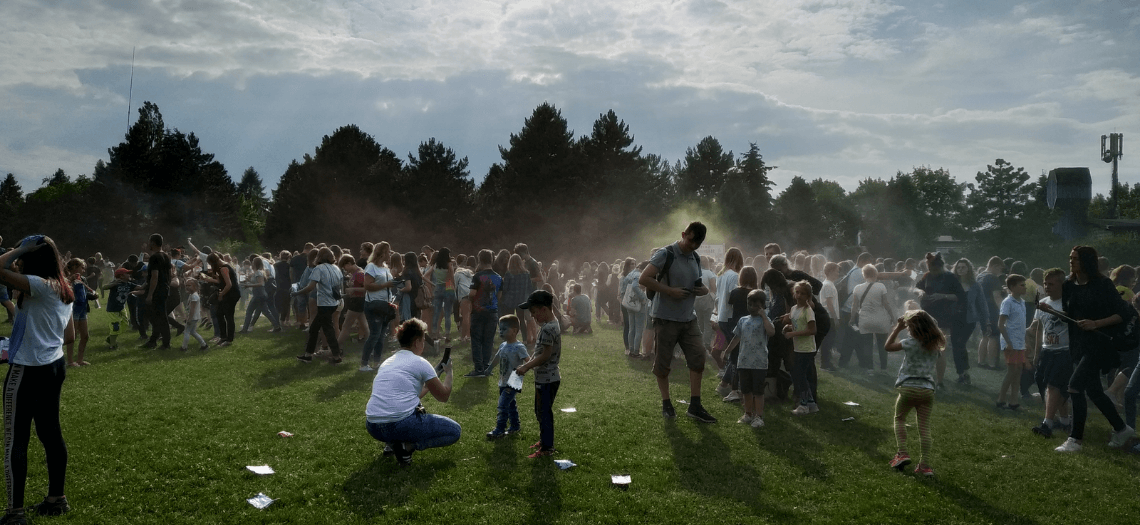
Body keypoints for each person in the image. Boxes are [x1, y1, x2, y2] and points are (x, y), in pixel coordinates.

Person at [0, 235, 75, 522]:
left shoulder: (39, 286)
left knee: (15, 440)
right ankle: (57, 499)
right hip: (54, 365)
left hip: (27, 369)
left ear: (32, 258)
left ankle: (15, 512)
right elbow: (68, 336)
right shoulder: (64, 287)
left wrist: (18, 249)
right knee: (50, 434)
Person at [1042, 246, 1136, 453]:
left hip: (1100, 345)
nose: (1071, 261)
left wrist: (1096, 323)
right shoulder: (1069, 285)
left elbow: (1123, 313)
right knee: (1094, 391)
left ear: (1086, 261)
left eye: (1075, 258)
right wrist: (1053, 311)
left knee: (1074, 386)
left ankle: (1075, 439)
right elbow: (1073, 314)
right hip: (1079, 344)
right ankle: (1122, 429)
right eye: (1070, 258)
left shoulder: (1103, 284)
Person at [638, 221, 717, 423]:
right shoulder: (666, 254)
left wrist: (704, 290)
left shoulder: (696, 258)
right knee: (663, 364)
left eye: (697, 243)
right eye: (691, 241)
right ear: (683, 234)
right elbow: (644, 278)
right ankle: (666, 403)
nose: (693, 246)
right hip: (665, 318)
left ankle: (695, 405)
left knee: (699, 357)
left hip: (688, 318)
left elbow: (698, 283)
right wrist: (669, 291)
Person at [365, 318, 459, 466]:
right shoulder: (420, 362)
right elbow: (443, 396)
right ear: (416, 342)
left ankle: (391, 443)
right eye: (423, 340)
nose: (424, 344)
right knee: (454, 431)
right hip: (399, 424)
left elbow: (411, 395)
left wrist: (430, 382)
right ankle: (407, 447)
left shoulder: (387, 362)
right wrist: (449, 373)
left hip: (373, 425)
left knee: (407, 407)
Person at [884, 310, 946, 477]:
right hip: (927, 391)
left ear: (913, 329)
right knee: (924, 427)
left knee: (900, 419)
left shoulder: (910, 343)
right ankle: (925, 465)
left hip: (908, 388)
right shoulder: (935, 346)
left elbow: (888, 347)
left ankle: (902, 453)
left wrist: (897, 328)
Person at [514, 290, 562, 458]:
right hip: (545, 377)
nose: (533, 317)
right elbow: (539, 351)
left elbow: (546, 355)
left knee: (544, 413)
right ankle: (544, 441)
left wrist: (526, 367)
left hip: (548, 378)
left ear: (544, 309)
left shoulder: (548, 329)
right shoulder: (549, 325)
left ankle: (547, 448)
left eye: (534, 312)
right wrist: (528, 363)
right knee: (540, 411)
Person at [720, 289, 774, 428]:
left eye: (756, 305)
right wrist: (726, 351)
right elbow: (736, 337)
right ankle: (748, 413)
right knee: (746, 390)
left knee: (758, 391)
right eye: (750, 304)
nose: (752, 308)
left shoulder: (765, 320)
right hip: (743, 361)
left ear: (763, 305)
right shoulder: (743, 320)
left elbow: (771, 332)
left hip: (759, 363)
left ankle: (759, 416)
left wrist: (763, 316)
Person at [1029, 268, 1072, 438]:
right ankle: (1065, 421)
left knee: (1054, 386)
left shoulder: (1068, 302)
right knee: (1043, 383)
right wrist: (1036, 351)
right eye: (1046, 283)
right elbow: (1039, 327)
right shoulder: (1043, 302)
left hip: (1064, 351)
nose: (1047, 287)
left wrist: (1050, 311)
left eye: (1052, 284)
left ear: (1062, 284)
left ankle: (1047, 424)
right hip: (1047, 350)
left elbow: (1071, 319)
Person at [915, 252, 964, 389]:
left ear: (940, 267)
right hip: (927, 316)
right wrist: (920, 292)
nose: (932, 272)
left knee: (939, 349)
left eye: (934, 269)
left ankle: (939, 381)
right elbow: (915, 287)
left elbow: (960, 296)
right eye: (930, 269)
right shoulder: (927, 276)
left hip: (944, 317)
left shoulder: (950, 278)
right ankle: (924, 377)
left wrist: (942, 296)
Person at [294, 247, 345, 365]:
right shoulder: (336, 268)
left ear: (319, 257)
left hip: (324, 304)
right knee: (314, 329)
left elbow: (311, 287)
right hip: (334, 303)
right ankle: (308, 355)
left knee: (328, 330)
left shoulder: (319, 268)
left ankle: (337, 356)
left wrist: (297, 292)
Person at [486, 314, 530, 439]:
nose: (501, 331)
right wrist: (489, 369)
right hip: (503, 381)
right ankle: (515, 426)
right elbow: (497, 358)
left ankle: (500, 429)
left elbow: (528, 360)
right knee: (511, 404)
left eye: (504, 329)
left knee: (502, 404)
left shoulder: (519, 347)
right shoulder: (503, 345)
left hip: (514, 381)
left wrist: (526, 367)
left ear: (515, 331)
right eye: (500, 329)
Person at [851, 264, 895, 373]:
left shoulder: (857, 288)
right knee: (882, 344)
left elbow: (854, 306)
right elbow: (886, 303)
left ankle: (869, 368)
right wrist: (892, 316)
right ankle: (883, 368)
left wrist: (852, 319)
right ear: (875, 274)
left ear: (864, 275)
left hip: (865, 320)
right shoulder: (881, 286)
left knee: (867, 345)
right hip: (880, 319)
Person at [361, 242, 398, 372]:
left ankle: (377, 362)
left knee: (381, 335)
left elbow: (387, 283)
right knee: (375, 334)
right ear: (382, 253)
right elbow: (367, 286)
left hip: (385, 304)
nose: (390, 253)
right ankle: (364, 364)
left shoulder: (385, 267)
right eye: (388, 251)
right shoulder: (371, 267)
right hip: (374, 304)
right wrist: (386, 285)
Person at [950, 258, 987, 385]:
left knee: (960, 344)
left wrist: (985, 323)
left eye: (963, 267)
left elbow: (982, 305)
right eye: (958, 267)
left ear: (968, 269)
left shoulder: (975, 285)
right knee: (956, 346)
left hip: (969, 320)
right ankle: (961, 374)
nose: (960, 269)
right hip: (954, 319)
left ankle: (964, 372)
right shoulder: (952, 284)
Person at [784, 281, 818, 415]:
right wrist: (789, 327)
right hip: (797, 347)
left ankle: (803, 405)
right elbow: (799, 326)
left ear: (808, 296)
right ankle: (811, 403)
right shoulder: (793, 309)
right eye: (797, 292)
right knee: (800, 375)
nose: (799, 296)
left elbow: (812, 330)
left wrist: (792, 334)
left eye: (802, 294)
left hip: (807, 348)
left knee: (800, 376)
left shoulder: (808, 311)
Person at [468, 249, 503, 377]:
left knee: (477, 340)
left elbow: (472, 293)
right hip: (493, 312)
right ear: (492, 260)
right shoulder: (499, 277)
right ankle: (487, 367)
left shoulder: (477, 276)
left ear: (480, 260)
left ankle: (478, 369)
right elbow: (499, 296)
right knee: (488, 340)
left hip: (478, 312)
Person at [996, 274, 1027, 409]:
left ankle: (1014, 400)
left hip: (1019, 342)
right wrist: (1008, 342)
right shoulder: (1007, 302)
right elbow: (1001, 324)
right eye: (1022, 285)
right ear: (1012, 287)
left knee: (1018, 370)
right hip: (1011, 341)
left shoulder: (1022, 302)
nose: (1025, 287)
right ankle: (1001, 399)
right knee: (1012, 370)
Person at [142, 234, 172, 350]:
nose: (148, 244)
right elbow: (169, 274)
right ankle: (153, 341)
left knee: (160, 317)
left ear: (153, 243)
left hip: (157, 291)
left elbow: (155, 277)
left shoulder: (155, 257)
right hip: (164, 289)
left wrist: (150, 294)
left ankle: (166, 343)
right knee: (157, 316)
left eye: (150, 242)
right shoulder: (166, 256)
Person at [202, 253, 239, 347]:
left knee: (228, 316)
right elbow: (219, 282)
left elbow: (229, 284)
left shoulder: (224, 268)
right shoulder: (223, 267)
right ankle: (223, 337)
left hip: (231, 294)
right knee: (219, 314)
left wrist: (221, 294)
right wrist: (208, 279)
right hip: (229, 293)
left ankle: (229, 339)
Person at [976, 256, 1005, 369]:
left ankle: (981, 361)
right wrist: (1004, 311)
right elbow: (997, 297)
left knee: (984, 336)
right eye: (1000, 269)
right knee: (993, 337)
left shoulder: (980, 275)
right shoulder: (992, 277)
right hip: (992, 310)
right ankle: (992, 364)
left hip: (981, 310)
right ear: (995, 266)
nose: (1000, 272)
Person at [64, 259, 93, 367]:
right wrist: (70, 279)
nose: (84, 270)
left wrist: (92, 296)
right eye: (82, 267)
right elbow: (63, 289)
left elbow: (85, 293)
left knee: (85, 336)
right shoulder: (67, 279)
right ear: (74, 268)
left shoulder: (83, 279)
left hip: (83, 309)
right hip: (73, 309)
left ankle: (80, 360)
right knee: (73, 336)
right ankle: (70, 361)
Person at [429, 248, 457, 342]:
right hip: (448, 287)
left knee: (436, 312)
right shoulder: (449, 264)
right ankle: (447, 335)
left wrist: (433, 284)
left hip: (438, 287)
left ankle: (434, 334)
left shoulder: (435, 265)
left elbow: (425, 275)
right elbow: (452, 277)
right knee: (448, 313)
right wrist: (454, 288)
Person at [101, 268, 133, 349]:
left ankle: (110, 338)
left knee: (125, 324)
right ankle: (112, 345)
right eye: (127, 273)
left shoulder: (128, 284)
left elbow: (139, 287)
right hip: (112, 309)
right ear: (121, 276)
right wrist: (113, 284)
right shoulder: (116, 283)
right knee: (115, 327)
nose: (129, 275)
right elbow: (104, 287)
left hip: (121, 308)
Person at [181, 279, 209, 351]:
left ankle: (184, 347)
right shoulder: (192, 295)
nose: (187, 287)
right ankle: (204, 345)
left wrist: (189, 319)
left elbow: (192, 310)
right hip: (194, 317)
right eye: (186, 285)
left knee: (186, 331)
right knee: (193, 332)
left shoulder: (194, 296)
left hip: (193, 318)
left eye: (189, 285)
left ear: (195, 286)